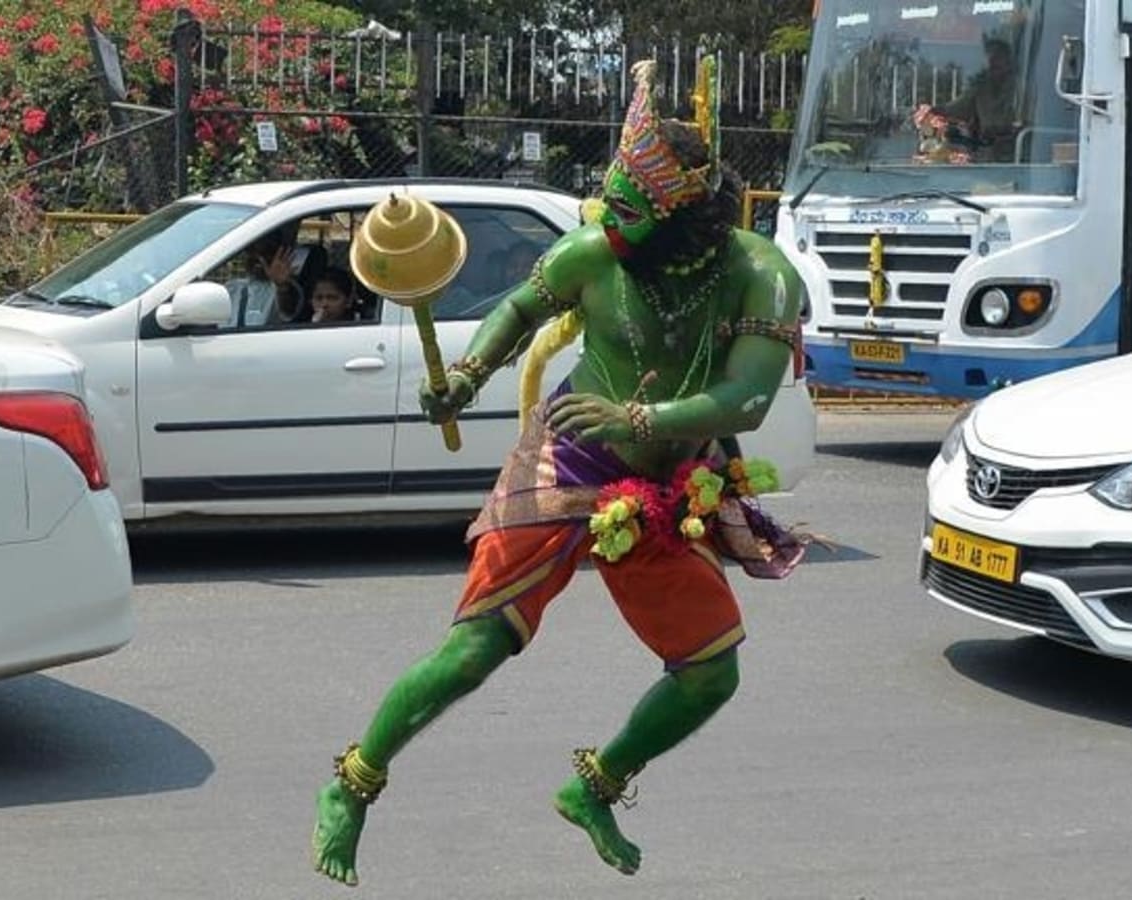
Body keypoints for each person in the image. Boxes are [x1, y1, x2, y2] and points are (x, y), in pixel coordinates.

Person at [311, 56, 809, 887]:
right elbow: (518, 309)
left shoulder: (761, 274)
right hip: (564, 457)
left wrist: (639, 420)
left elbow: (750, 399)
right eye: (607, 199)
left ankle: (597, 788)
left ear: (685, 213)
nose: (605, 217)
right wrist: (467, 377)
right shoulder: (594, 250)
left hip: (662, 488)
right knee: (476, 653)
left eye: (628, 207)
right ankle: (353, 783)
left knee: (712, 670)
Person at [928, 37, 1023, 162]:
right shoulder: (981, 86)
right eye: (990, 58)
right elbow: (957, 108)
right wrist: (932, 110)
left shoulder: (1023, 87)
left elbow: (1027, 121)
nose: (992, 62)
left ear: (1008, 61)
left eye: (998, 58)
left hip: (1020, 156)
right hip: (987, 152)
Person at [226, 227, 306, 328]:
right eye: (252, 251)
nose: (259, 258)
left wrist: (281, 285)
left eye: (266, 252)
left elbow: (288, 311)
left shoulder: (290, 289)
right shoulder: (233, 287)